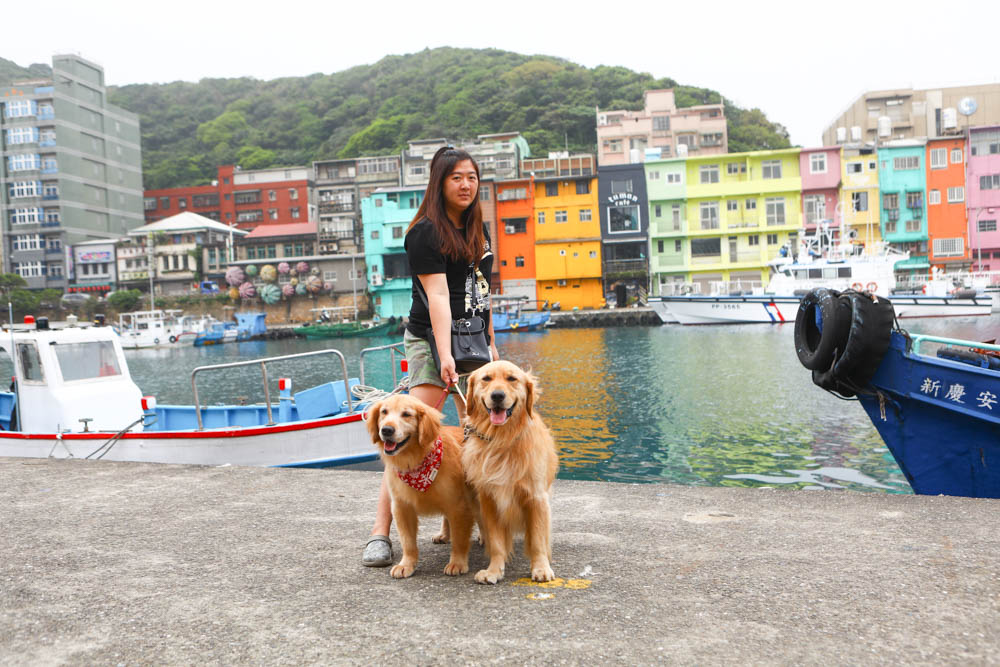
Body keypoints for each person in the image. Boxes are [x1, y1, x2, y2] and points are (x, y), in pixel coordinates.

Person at [363, 146, 498, 567]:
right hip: (430, 339)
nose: (466, 184)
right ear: (440, 182)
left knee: (481, 435)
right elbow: (438, 297)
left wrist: (492, 349)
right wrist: (444, 356)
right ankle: (380, 535)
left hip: (473, 339)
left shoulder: (478, 229)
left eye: (472, 177)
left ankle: (481, 520)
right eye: (456, 177)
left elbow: (481, 296)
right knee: (405, 437)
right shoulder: (424, 232)